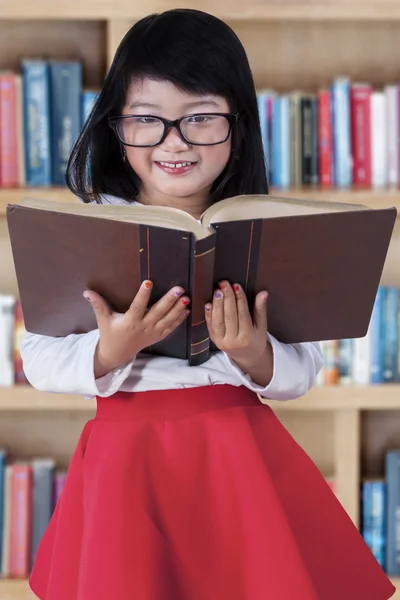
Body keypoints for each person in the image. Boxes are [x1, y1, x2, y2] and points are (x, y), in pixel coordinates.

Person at [21, 8, 395, 600]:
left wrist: (254, 353)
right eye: (147, 119)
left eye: (201, 119)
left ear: (238, 126)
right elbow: (36, 357)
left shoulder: (263, 229)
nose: (175, 141)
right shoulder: (89, 229)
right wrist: (109, 349)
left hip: (238, 461)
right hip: (129, 464)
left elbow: (301, 372)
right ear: (114, 125)